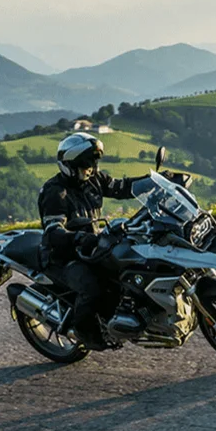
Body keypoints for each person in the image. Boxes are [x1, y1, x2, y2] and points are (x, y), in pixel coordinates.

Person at [39, 131, 138, 345]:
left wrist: (156, 182)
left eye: (92, 162)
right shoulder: (55, 192)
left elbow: (123, 187)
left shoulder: (93, 180)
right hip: (63, 257)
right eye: (85, 163)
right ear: (70, 165)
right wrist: (78, 239)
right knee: (92, 287)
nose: (90, 168)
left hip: (92, 248)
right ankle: (85, 332)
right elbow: (53, 232)